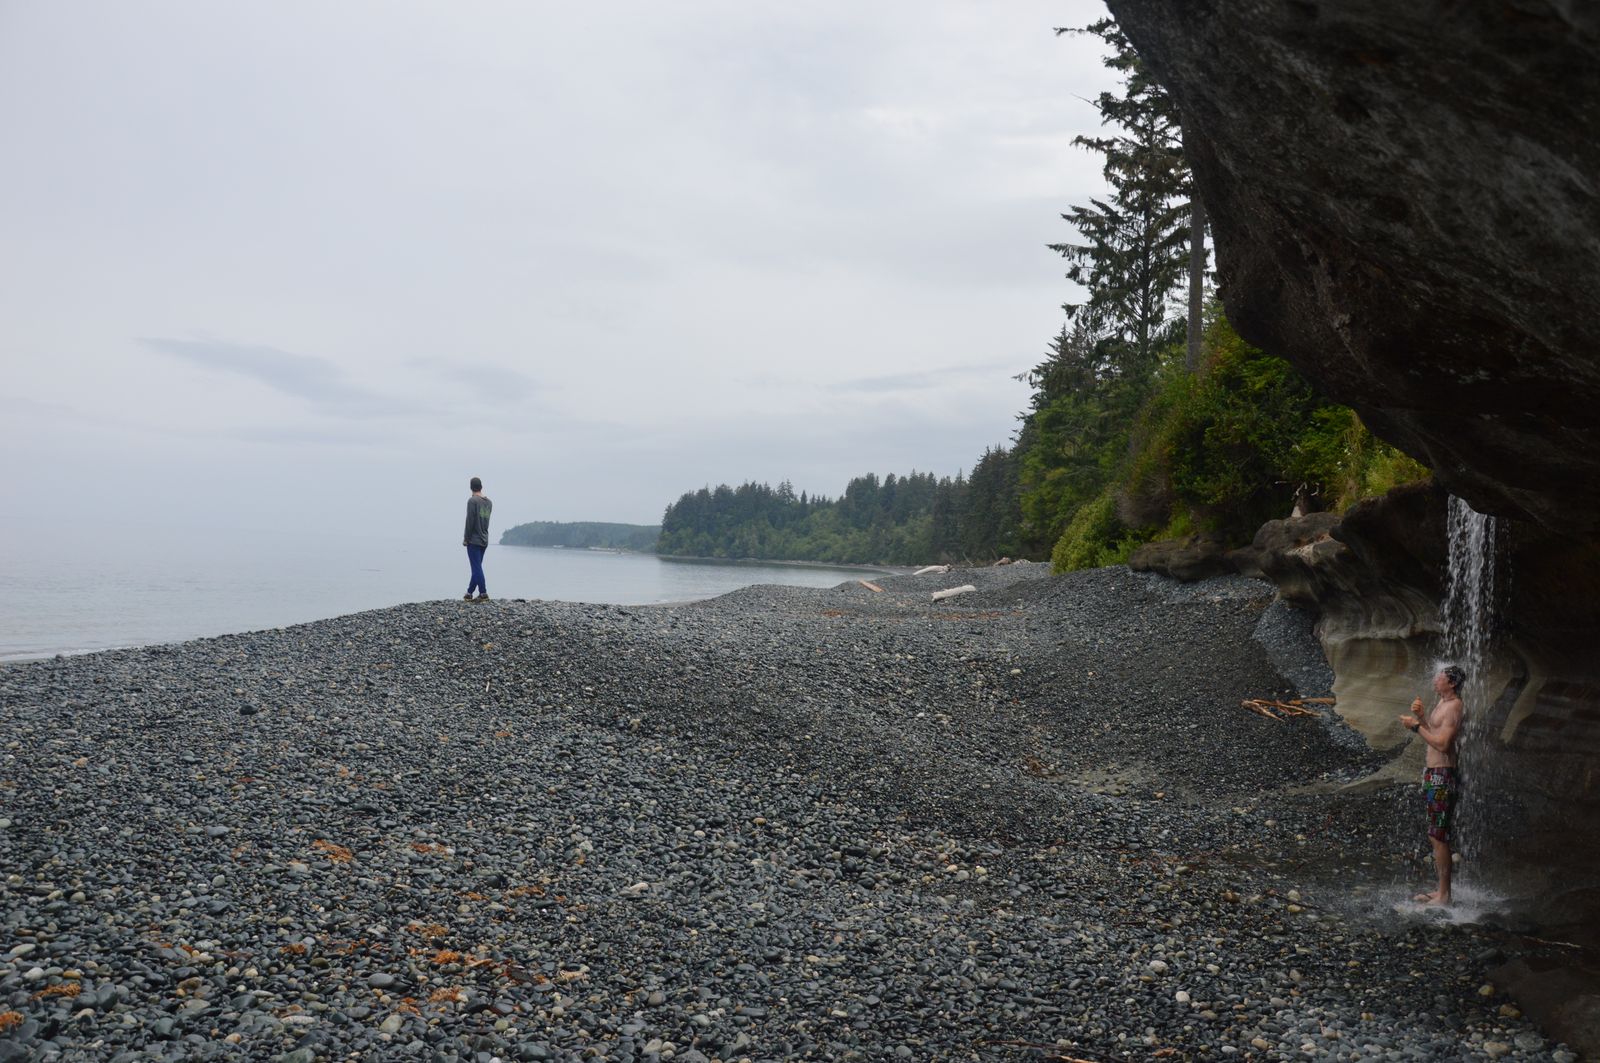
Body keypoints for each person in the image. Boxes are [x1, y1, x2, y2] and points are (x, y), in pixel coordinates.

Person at [1399, 664, 1465, 905]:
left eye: (1440, 677)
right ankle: (1441, 891)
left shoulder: (1455, 706)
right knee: (1436, 834)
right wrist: (1422, 718)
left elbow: (1443, 745)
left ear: (1452, 683)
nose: (1435, 679)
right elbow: (1434, 733)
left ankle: (1445, 896)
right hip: (1435, 773)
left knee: (1439, 835)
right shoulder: (1442, 703)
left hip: (1443, 774)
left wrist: (1416, 727)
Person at [463, 477, 493, 602]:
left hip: (474, 540)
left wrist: (466, 538)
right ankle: (469, 593)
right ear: (481, 486)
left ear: (471, 487)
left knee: (476, 568)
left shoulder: (472, 501)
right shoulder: (489, 502)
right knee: (477, 567)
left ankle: (483, 592)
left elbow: (470, 521)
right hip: (484, 539)